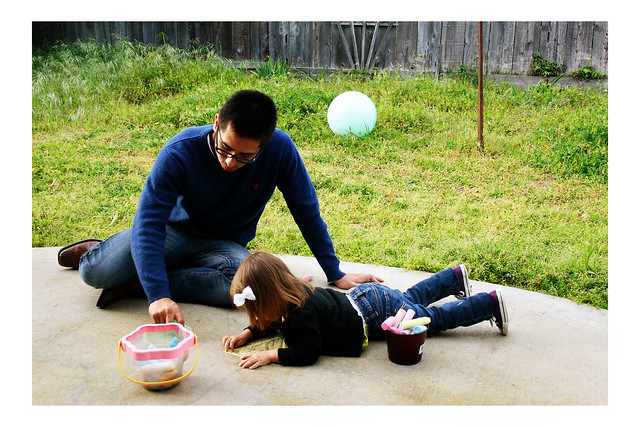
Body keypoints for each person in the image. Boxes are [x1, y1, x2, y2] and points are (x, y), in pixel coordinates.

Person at [57, 90, 383, 325]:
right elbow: (150, 222)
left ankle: (139, 280)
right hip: (173, 232)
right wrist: (159, 296)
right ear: (216, 124)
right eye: (225, 148)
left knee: (252, 292)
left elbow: (306, 209)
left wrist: (334, 271)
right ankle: (101, 252)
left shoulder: (281, 150)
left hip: (223, 246)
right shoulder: (180, 152)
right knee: (94, 274)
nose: (229, 161)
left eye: (244, 156)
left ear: (264, 146)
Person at [222, 252, 509, 369]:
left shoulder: (300, 316)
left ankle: (488, 304)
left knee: (427, 319)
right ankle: (453, 277)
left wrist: (269, 355)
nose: (258, 320)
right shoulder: (293, 296)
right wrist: (249, 333)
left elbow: (307, 351)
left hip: (374, 314)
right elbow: (273, 320)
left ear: (269, 300)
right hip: (364, 298)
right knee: (409, 298)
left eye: (256, 313)